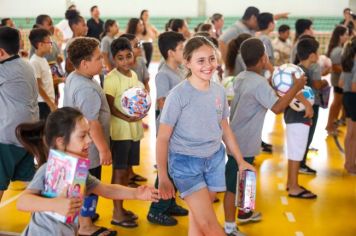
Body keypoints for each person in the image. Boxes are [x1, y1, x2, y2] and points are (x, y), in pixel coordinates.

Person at [157, 36, 256, 236]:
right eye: (200, 61)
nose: (208, 65)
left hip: (214, 161)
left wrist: (240, 160)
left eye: (211, 59)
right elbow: (162, 138)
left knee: (198, 221)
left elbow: (225, 129)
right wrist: (163, 175)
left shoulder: (219, 92)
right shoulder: (178, 95)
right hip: (186, 164)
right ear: (188, 63)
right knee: (210, 225)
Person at [16, 107, 160, 235]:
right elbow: (22, 202)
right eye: (82, 135)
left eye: (88, 134)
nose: (90, 140)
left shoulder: (80, 173)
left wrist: (136, 193)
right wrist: (55, 204)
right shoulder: (47, 169)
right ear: (60, 141)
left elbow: (106, 189)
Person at [224, 38, 306, 236]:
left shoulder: (242, 77)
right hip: (241, 144)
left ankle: (245, 213)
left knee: (247, 177)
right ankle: (229, 227)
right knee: (233, 186)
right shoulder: (259, 83)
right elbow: (277, 108)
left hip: (239, 139)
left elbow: (263, 92)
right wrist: (296, 87)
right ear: (263, 58)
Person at [63, 37, 112, 235]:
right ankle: (85, 225)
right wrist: (103, 149)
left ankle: (82, 217)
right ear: (84, 63)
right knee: (88, 185)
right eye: (98, 58)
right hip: (88, 148)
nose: (102, 61)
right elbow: (92, 123)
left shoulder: (76, 77)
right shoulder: (86, 88)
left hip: (75, 143)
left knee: (80, 182)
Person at [103, 37, 146, 228]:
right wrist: (127, 117)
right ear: (114, 60)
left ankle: (121, 208)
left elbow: (137, 99)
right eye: (120, 58)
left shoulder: (133, 75)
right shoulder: (111, 78)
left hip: (132, 130)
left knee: (125, 174)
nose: (126, 61)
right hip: (120, 132)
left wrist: (140, 111)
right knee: (119, 172)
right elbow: (110, 106)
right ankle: (117, 212)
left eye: (128, 56)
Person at [147, 31, 188, 226]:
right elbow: (163, 103)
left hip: (180, 128)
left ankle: (169, 202)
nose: (185, 51)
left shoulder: (178, 70)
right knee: (167, 171)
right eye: (181, 49)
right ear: (171, 52)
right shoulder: (163, 74)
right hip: (169, 129)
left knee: (175, 167)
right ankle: (156, 209)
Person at [0, 26, 39, 202]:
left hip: (8, 136)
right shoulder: (26, 64)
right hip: (28, 134)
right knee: (30, 183)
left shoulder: (4, 71)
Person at [285, 38, 319, 199]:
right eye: (317, 53)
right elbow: (294, 89)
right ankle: (293, 187)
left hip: (296, 118)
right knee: (297, 153)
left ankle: (291, 182)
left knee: (294, 152)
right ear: (312, 55)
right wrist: (308, 105)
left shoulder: (299, 69)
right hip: (297, 118)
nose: (318, 56)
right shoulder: (300, 72)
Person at [31, 14, 65, 104]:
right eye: (49, 24)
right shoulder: (35, 57)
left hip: (52, 79)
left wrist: (59, 60)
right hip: (43, 97)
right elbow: (38, 84)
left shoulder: (52, 43)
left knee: (56, 97)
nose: (52, 26)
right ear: (39, 26)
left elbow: (58, 61)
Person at [28, 28, 57, 120]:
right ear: (40, 44)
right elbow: (38, 87)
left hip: (47, 101)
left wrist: (61, 80)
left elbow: (46, 81)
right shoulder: (34, 62)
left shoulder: (43, 59)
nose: (51, 45)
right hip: (42, 103)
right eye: (49, 42)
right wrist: (51, 104)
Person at [325, 25, 349, 134]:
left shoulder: (339, 48)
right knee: (336, 103)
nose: (347, 37)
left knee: (338, 104)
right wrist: (349, 69)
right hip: (338, 81)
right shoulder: (338, 50)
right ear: (340, 36)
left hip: (340, 81)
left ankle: (332, 125)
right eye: (345, 34)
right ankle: (330, 126)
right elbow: (335, 67)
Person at [339, 36, 356, 174]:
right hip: (354, 97)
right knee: (353, 134)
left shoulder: (347, 61)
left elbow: (340, 84)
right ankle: (351, 165)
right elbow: (355, 86)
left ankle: (348, 163)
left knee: (350, 133)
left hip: (347, 97)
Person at [64, 9, 88, 74]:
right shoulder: (72, 43)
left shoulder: (84, 41)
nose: (86, 28)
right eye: (83, 25)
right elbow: (68, 67)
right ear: (74, 26)